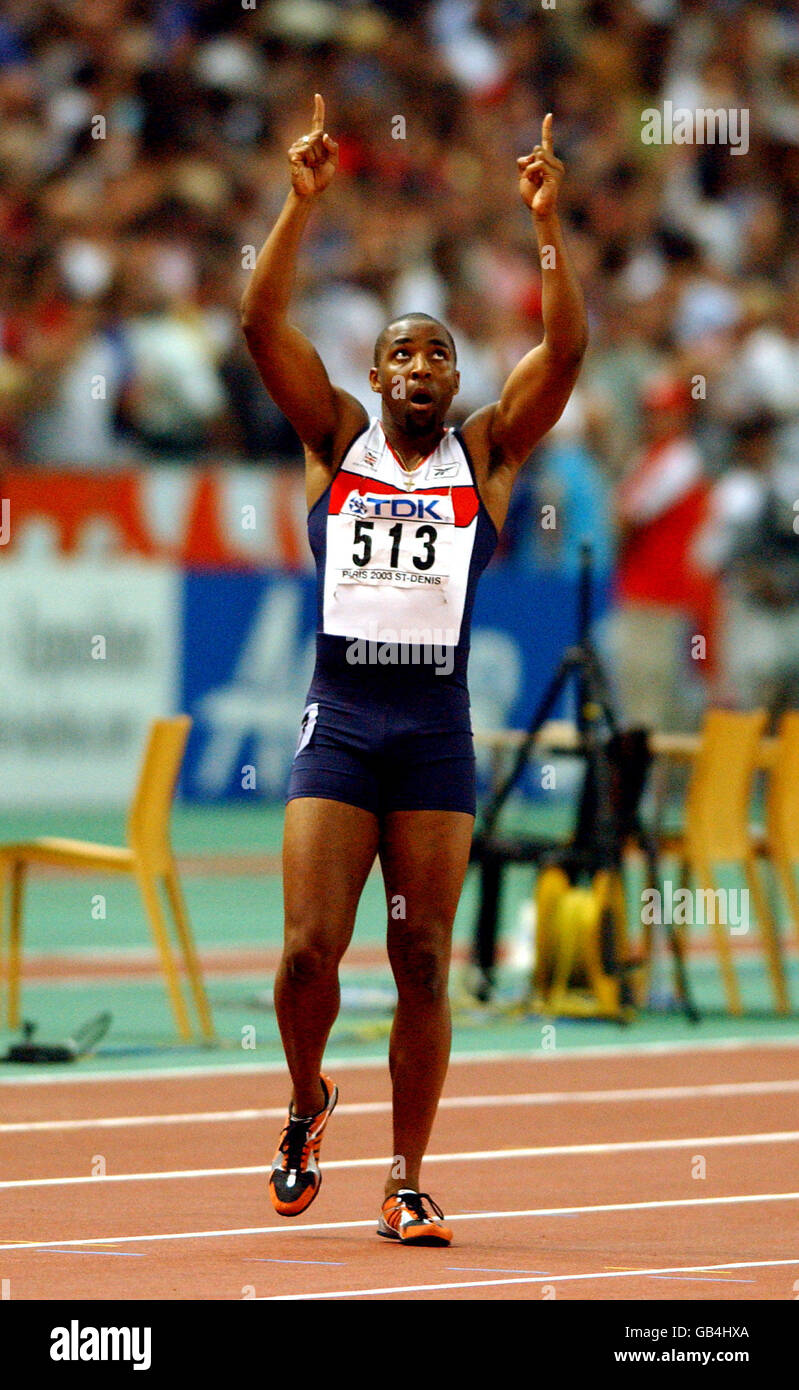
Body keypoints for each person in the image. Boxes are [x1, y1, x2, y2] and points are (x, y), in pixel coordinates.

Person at [241, 94, 586, 1246]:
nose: (423, 364)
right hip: (340, 721)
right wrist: (299, 205)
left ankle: (404, 1174)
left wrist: (547, 225)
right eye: (403, 350)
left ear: (453, 376)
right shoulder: (331, 435)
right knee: (305, 951)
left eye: (439, 349)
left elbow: (568, 350)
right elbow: (257, 325)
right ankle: (304, 1100)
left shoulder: (484, 452)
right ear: (377, 374)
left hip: (434, 733)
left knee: (426, 959)